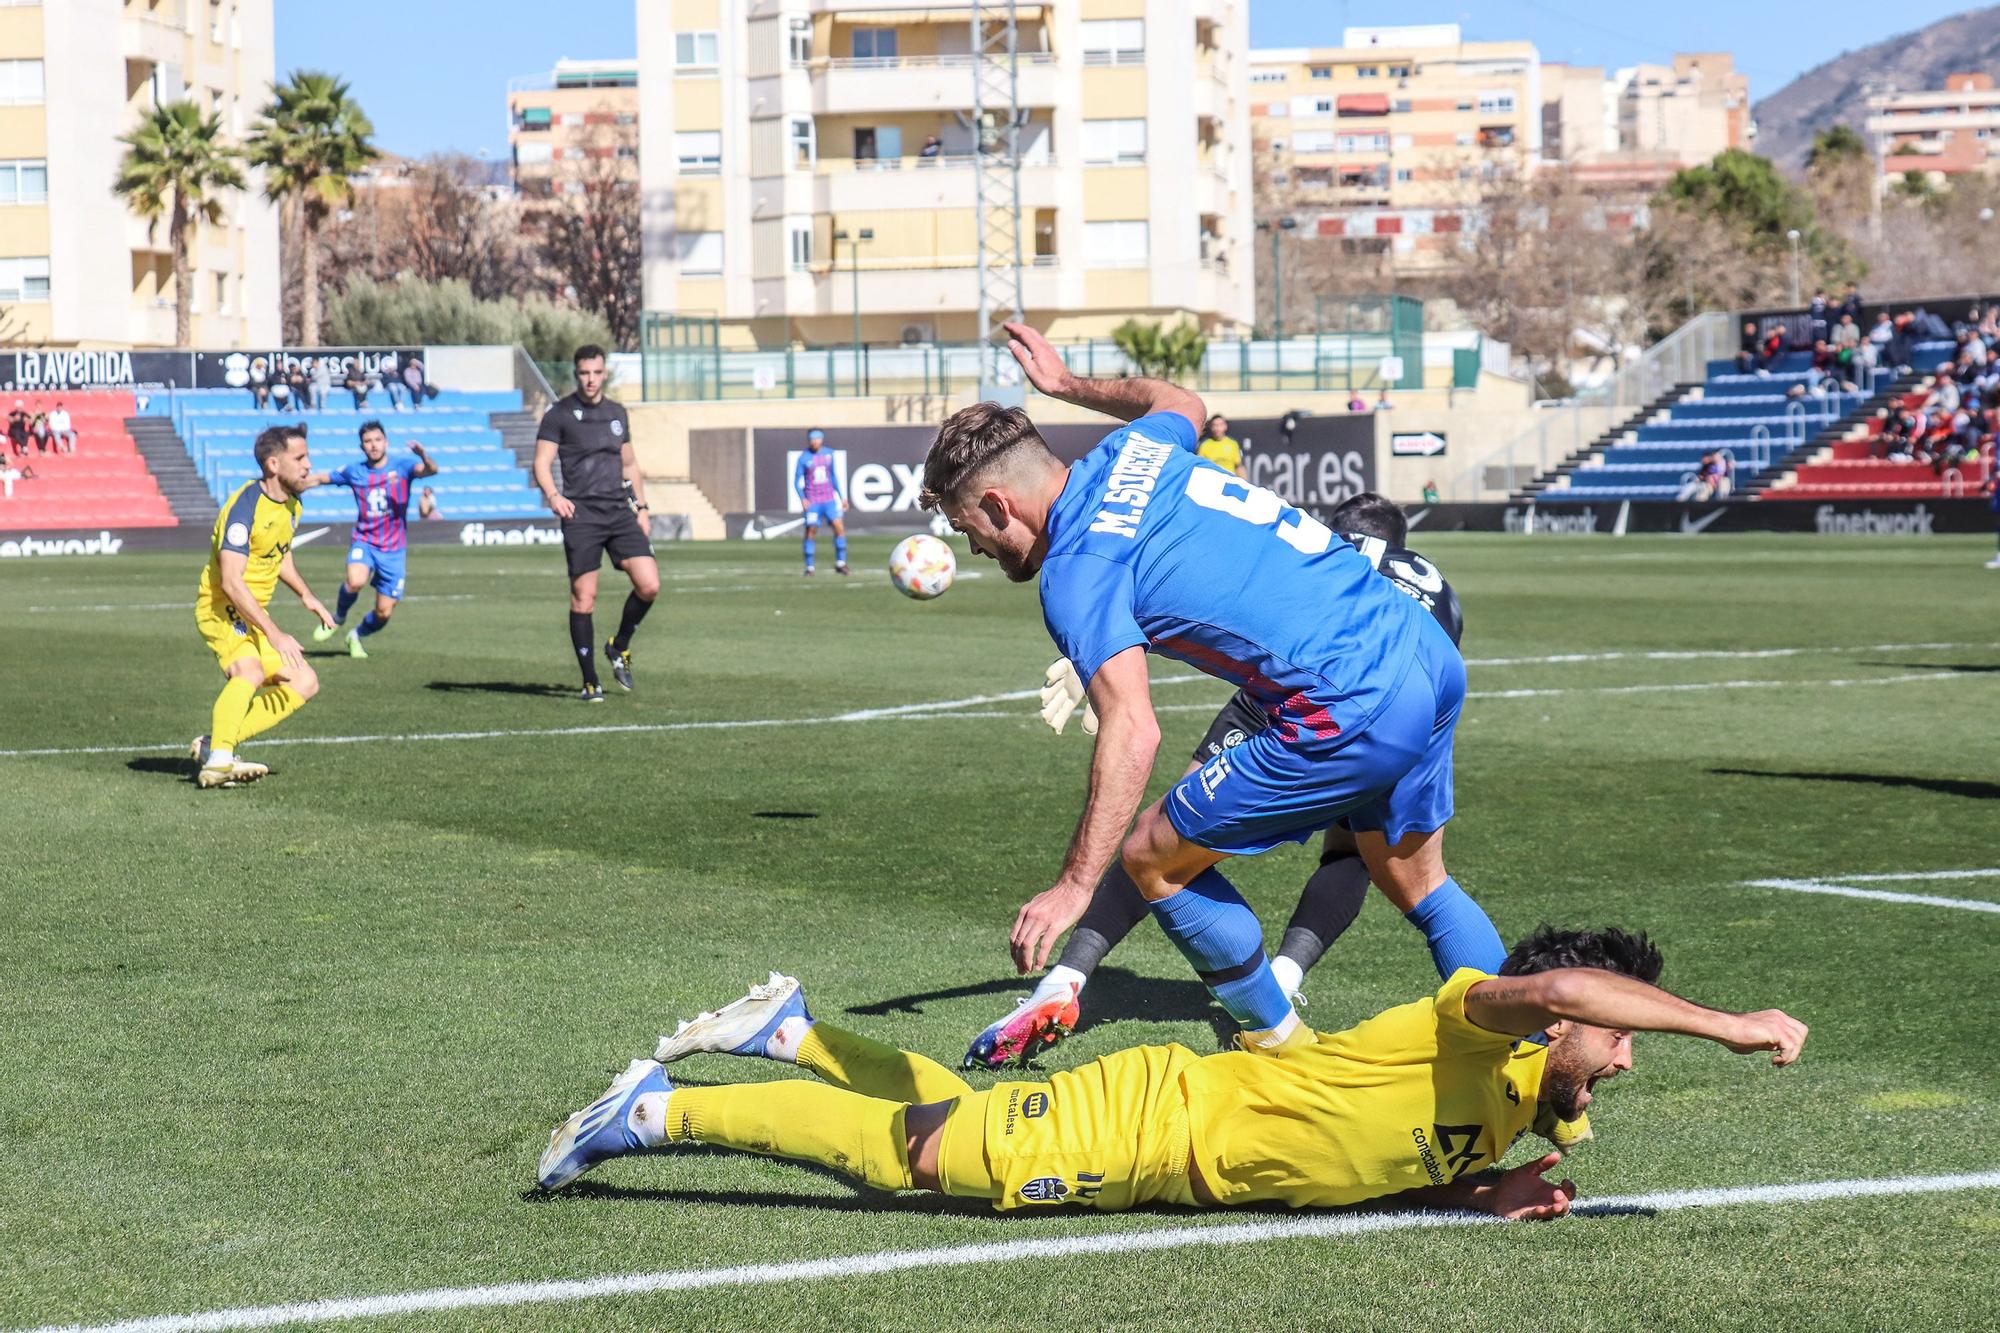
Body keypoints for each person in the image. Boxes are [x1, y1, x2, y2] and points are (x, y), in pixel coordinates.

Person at [918, 322, 1500, 1060]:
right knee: (1421, 884)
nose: (971, 545)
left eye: (966, 525)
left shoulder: (1076, 569)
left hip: (1347, 699)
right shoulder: (1136, 450)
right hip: (1424, 651)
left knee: (1151, 857)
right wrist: (1068, 386)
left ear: (1000, 505)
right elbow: (1178, 397)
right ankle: (1533, 1053)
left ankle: (1287, 1055)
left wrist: (1072, 885)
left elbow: (1134, 731)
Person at [536, 927, 1808, 1213]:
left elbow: (1384, 1179)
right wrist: (1729, 1022)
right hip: (1157, 1119)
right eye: (1618, 1036)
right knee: (929, 1159)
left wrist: (1484, 1195)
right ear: (1555, 1022)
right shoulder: (1468, 1023)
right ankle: (650, 1112)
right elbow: (1565, 987)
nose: (1626, 1055)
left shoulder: (1535, 1113)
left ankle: (796, 1028)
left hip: (1179, 1166)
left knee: (951, 1122)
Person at [966, 492, 1468, 1068]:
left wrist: (1100, 661)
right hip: (1406, 707)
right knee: (1364, 864)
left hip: (1295, 701)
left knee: (1165, 839)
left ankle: (1066, 978)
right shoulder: (1436, 587)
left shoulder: (1328, 553)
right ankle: (1292, 978)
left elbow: (1235, 607)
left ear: (1337, 530)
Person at [186, 426, 335, 790]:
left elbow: (278, 553)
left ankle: (215, 744)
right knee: (248, 670)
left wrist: (306, 594)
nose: (308, 465)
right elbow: (233, 583)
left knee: (305, 681)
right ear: (273, 463)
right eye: (299, 458)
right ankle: (220, 760)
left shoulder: (292, 505)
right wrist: (276, 633)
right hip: (221, 607)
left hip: (250, 614)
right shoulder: (244, 507)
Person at [533, 344, 660, 702]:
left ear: (605, 374)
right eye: (584, 373)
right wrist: (554, 496)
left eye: (596, 373)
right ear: (577, 374)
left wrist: (643, 508)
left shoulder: (617, 413)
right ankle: (590, 681)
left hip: (619, 513)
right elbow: (542, 462)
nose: (590, 379)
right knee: (584, 597)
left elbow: (631, 465)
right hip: (582, 516)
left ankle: (618, 647)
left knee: (649, 585)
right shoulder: (559, 414)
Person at [300, 420, 439, 659]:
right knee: (355, 580)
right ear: (362, 446)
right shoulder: (356, 471)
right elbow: (322, 478)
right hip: (365, 542)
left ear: (385, 442)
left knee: (384, 613)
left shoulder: (403, 467)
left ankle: (356, 635)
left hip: (394, 550)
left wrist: (423, 455)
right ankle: (338, 617)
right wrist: (296, 483)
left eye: (377, 440)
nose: (373, 446)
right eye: (368, 441)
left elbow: (431, 471)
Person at [794, 428, 849, 576]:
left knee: (839, 527)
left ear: (821, 439)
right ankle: (809, 567)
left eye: (817, 438)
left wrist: (842, 497)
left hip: (829, 499)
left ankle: (841, 563)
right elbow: (796, 481)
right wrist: (803, 498)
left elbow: (833, 477)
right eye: (812, 439)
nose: (814, 441)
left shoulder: (829, 454)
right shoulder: (804, 458)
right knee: (811, 531)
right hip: (813, 501)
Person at [1195, 414, 1244, 478]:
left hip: (1230, 481)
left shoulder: (1232, 444)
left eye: (1220, 425)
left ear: (1225, 426)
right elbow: (1200, 467)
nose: (1218, 428)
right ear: (1211, 427)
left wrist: (1244, 482)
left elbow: (1238, 466)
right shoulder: (1204, 445)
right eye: (1215, 425)